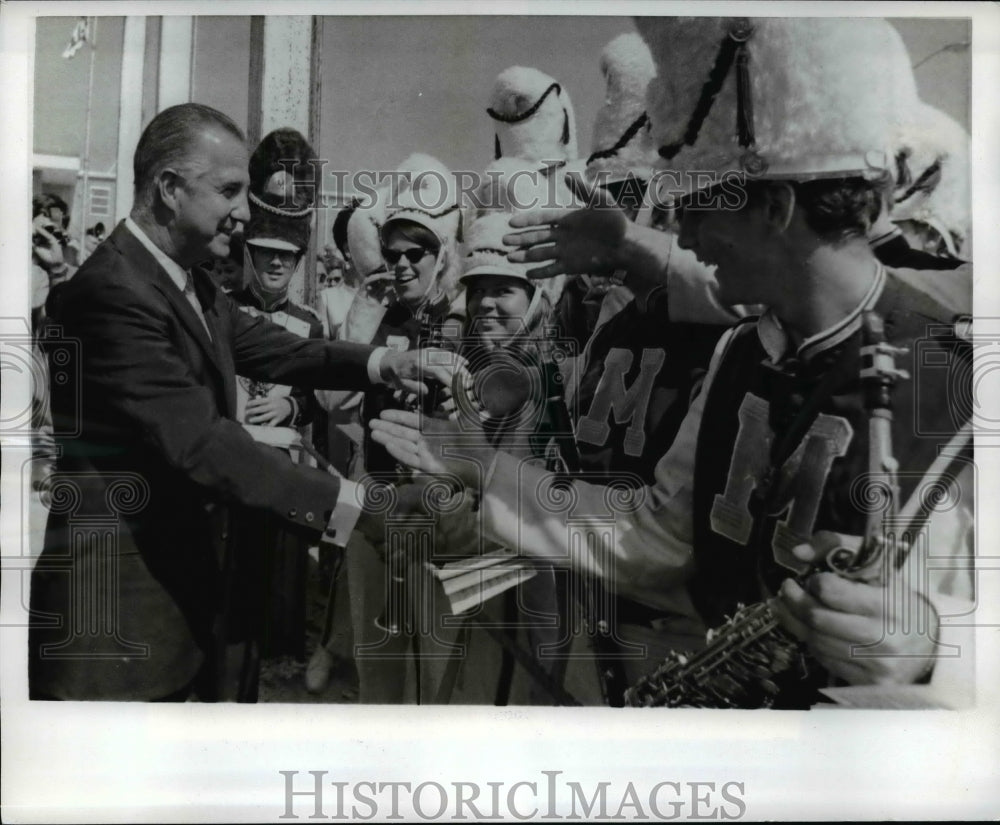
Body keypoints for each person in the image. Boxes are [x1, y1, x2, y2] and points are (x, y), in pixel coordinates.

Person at [371, 17, 975, 708]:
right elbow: (654, 535)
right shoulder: (738, 353)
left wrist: (935, 644)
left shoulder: (964, 372)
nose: (678, 234)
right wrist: (486, 471)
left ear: (775, 207)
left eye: (695, 208)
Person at [28, 103, 458, 702]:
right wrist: (359, 507)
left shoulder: (188, 280)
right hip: (118, 633)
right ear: (171, 189)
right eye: (229, 190)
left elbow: (277, 348)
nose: (244, 211)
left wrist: (386, 361)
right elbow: (204, 444)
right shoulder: (112, 292)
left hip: (178, 613)